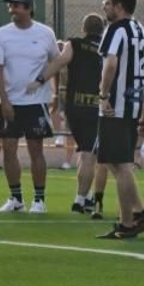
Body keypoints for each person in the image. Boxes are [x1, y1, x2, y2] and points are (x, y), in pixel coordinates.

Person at [0, 0, 59, 213]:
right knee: (8, 149)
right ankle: (16, 198)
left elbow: (55, 63)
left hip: (36, 103)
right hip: (10, 102)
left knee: (37, 150)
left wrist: (54, 93)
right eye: (11, 6)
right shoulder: (1, 35)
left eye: (17, 5)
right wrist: (4, 100)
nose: (12, 10)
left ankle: (39, 200)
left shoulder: (45, 33)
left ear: (28, 8)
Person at [92, 0, 144, 240]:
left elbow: (111, 63)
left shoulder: (115, 30)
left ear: (118, 5)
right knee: (116, 162)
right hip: (133, 102)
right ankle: (135, 215)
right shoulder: (141, 31)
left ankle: (131, 220)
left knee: (121, 163)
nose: (104, 6)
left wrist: (104, 95)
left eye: (107, 2)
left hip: (115, 104)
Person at [37, 14, 106, 218]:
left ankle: (84, 199)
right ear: (102, 30)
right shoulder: (108, 46)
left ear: (83, 29)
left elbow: (61, 61)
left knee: (84, 151)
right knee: (89, 155)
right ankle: (80, 200)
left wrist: (41, 80)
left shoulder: (73, 43)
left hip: (75, 107)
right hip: (96, 106)